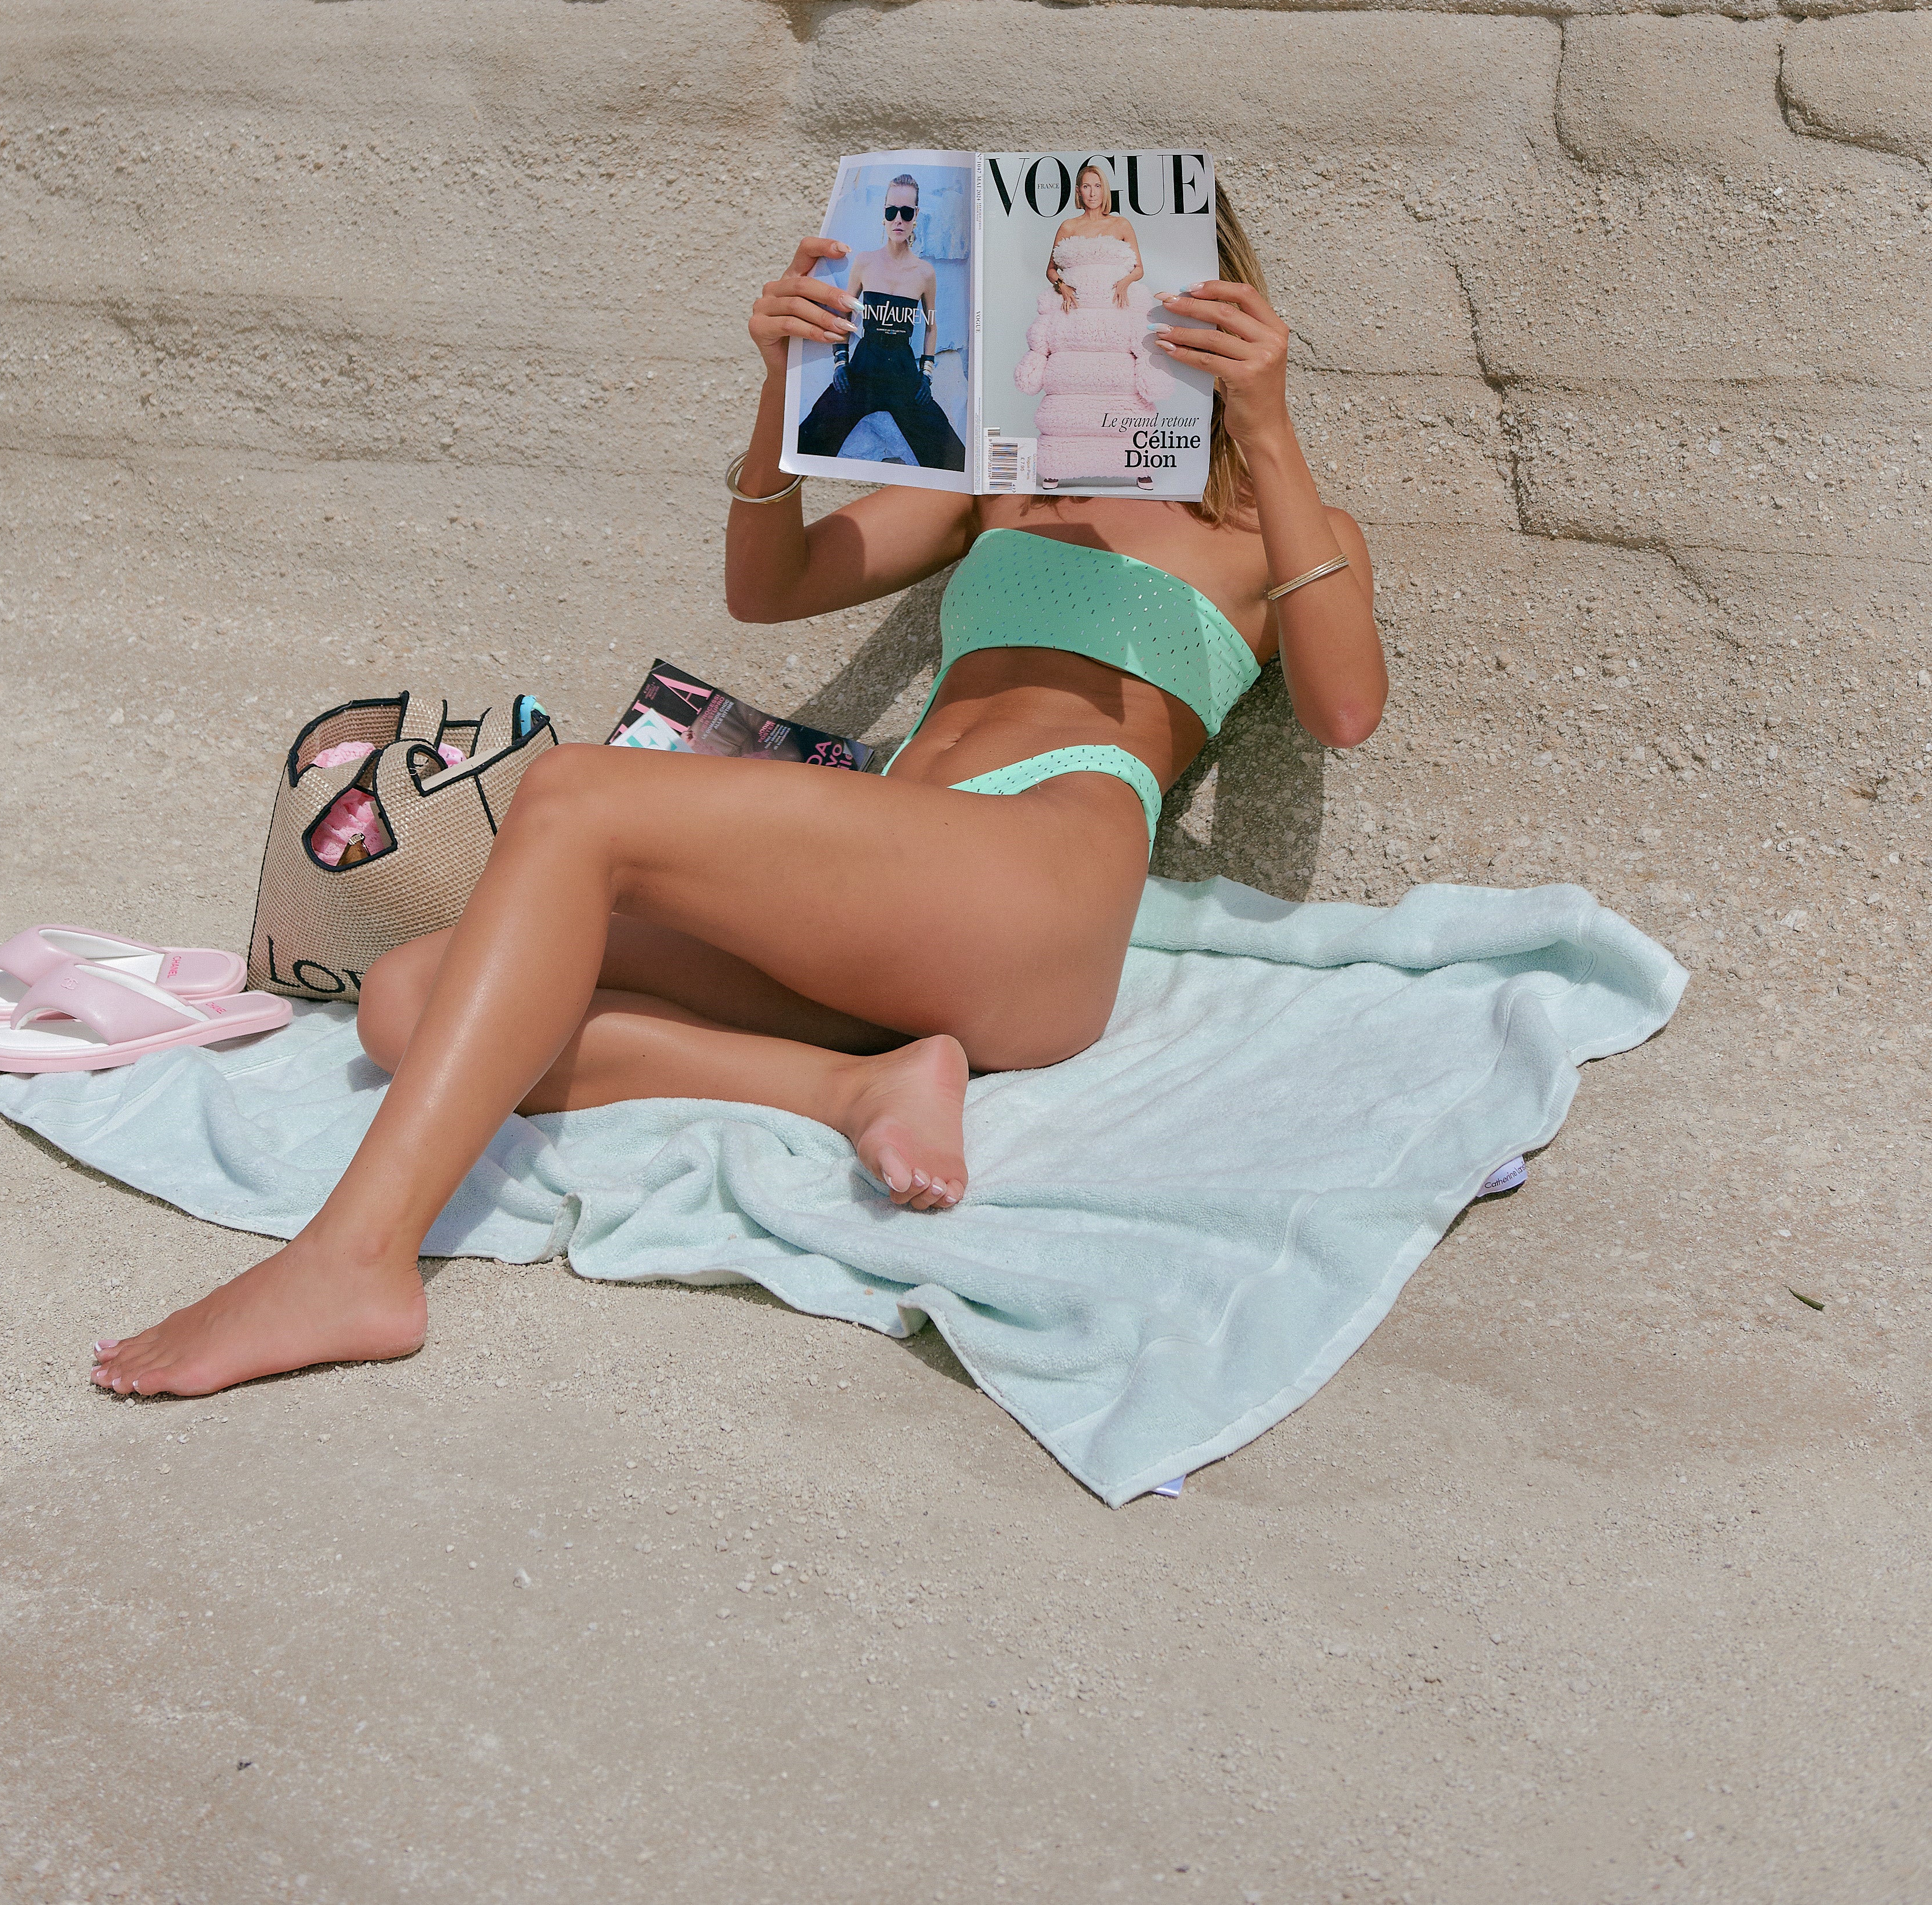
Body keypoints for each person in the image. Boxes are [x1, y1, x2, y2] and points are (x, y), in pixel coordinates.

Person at [92, 186, 1387, 1400]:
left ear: (1194, 289)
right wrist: (780, 394)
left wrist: (1265, 426)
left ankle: (355, 1261)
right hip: (891, 893)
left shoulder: (1277, 528)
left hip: (1036, 885)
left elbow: (1345, 709)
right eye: (1052, 271)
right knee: (406, 997)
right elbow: (772, 587)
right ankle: (853, 1089)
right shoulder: (1006, 484)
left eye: (1118, 264)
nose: (1080, 291)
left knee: (583, 801)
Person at [793, 171, 966, 474]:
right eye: (892, 211)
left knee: (950, 455)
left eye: (906, 212)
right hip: (862, 371)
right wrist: (840, 363)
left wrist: (926, 376)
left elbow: (932, 325)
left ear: (915, 217)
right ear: (884, 216)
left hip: (904, 375)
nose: (898, 219)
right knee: (808, 438)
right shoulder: (864, 262)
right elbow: (844, 312)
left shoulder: (925, 273)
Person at [1046, 160, 1146, 310]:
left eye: (1098, 186)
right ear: (1079, 191)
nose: (1093, 193)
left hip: (1115, 303)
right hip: (1076, 306)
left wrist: (1124, 283)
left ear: (1104, 190)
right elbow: (1051, 270)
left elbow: (1139, 269)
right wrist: (1063, 287)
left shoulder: (1121, 224)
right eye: (1087, 187)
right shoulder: (1068, 226)